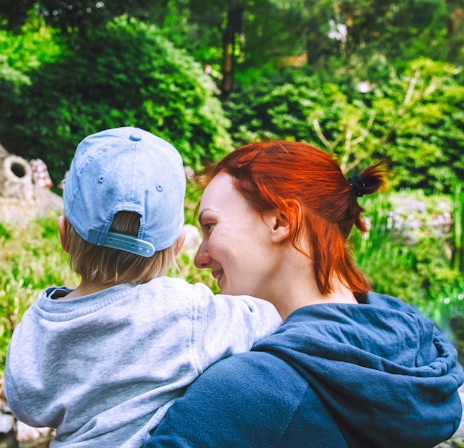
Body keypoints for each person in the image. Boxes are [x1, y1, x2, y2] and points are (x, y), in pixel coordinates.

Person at [145, 140, 464, 448]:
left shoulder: (248, 390)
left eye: (210, 226)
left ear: (281, 222)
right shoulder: (416, 356)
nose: (200, 258)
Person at [4, 127, 282, 448]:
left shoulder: (41, 323)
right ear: (178, 246)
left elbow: (24, 404)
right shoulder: (188, 312)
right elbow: (266, 318)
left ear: (64, 233)